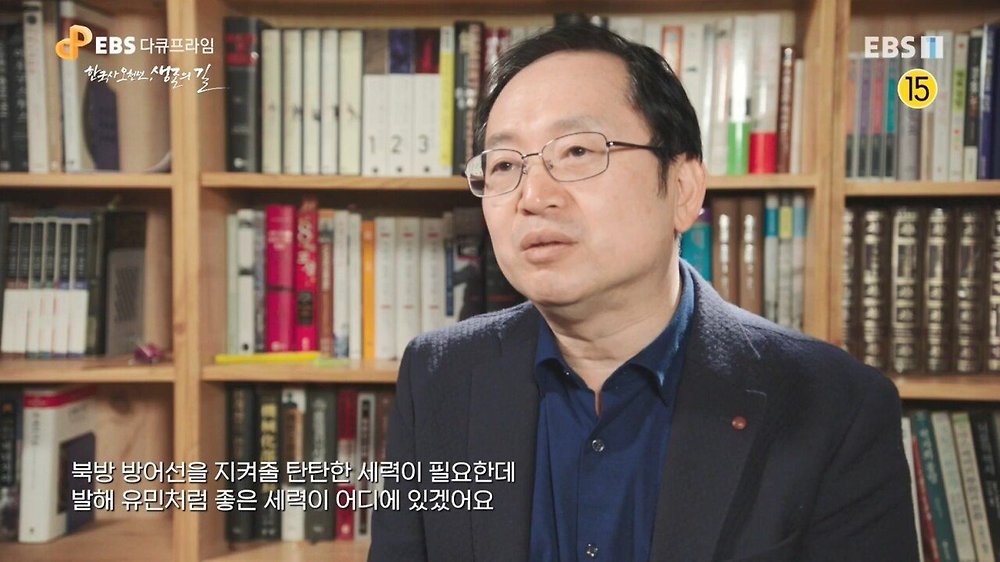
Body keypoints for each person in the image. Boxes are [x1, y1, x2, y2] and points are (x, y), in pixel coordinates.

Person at [369, 24, 917, 562]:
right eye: (506, 165)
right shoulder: (439, 377)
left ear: (683, 189)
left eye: (578, 152)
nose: (533, 196)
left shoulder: (834, 406)